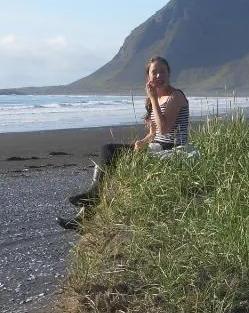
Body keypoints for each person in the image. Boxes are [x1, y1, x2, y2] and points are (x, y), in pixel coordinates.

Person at [57, 56, 190, 230]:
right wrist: (142, 141)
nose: (159, 76)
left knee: (109, 153)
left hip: (173, 150)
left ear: (169, 73)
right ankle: (83, 214)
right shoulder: (153, 98)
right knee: (105, 157)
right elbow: (154, 132)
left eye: (162, 71)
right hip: (155, 146)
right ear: (148, 76)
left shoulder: (175, 96)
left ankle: (92, 200)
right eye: (154, 72)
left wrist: (154, 100)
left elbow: (164, 129)